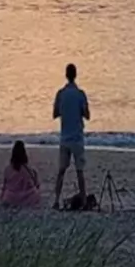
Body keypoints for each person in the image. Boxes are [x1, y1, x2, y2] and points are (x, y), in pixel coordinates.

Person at [52, 63, 90, 210]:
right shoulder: (80, 94)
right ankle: (84, 202)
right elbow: (87, 115)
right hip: (77, 137)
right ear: (76, 75)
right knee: (80, 171)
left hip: (65, 137)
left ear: (66, 75)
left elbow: (55, 113)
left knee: (61, 171)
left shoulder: (60, 94)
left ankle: (56, 200)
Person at [0, 140, 42, 209]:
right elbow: (36, 185)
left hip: (11, 197)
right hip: (27, 197)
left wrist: (2, 196)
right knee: (35, 191)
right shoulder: (29, 169)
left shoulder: (7, 169)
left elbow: (4, 186)